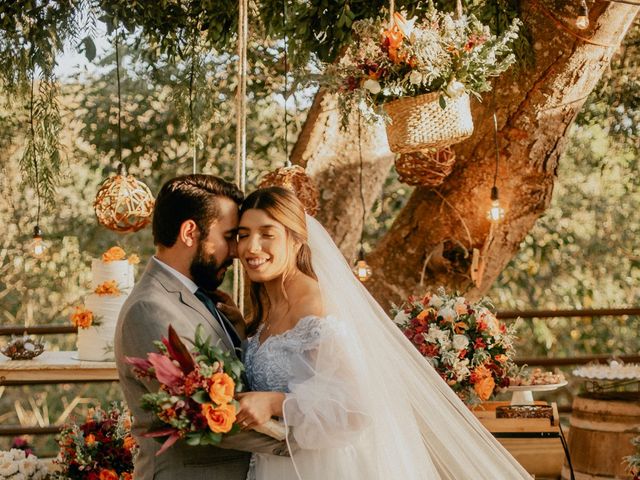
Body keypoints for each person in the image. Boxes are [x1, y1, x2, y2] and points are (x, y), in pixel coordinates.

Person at [234, 186, 532, 480]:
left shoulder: (319, 307)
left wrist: (276, 403)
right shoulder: (262, 313)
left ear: (297, 240)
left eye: (267, 234)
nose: (252, 247)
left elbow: (356, 406)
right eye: (243, 235)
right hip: (274, 463)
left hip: (326, 467)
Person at [114, 174, 289, 480]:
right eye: (229, 236)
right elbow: (205, 415)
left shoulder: (204, 297)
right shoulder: (150, 309)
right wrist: (307, 441)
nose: (236, 251)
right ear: (190, 232)